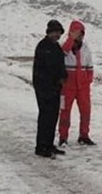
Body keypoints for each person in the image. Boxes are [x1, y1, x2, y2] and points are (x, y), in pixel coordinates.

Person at [32, 19, 68, 158]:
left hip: (54, 87)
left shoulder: (55, 46)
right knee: (45, 116)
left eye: (59, 33)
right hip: (44, 87)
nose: (57, 35)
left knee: (53, 116)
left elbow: (60, 65)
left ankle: (48, 144)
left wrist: (63, 76)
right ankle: (41, 146)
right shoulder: (43, 46)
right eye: (54, 32)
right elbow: (50, 67)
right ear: (49, 32)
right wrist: (60, 76)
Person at [58, 19, 96, 146]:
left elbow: (90, 66)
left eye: (81, 33)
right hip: (67, 86)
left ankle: (84, 135)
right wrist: (70, 39)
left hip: (82, 86)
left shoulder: (86, 48)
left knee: (86, 111)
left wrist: (88, 81)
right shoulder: (65, 46)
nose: (79, 36)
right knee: (64, 112)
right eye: (76, 33)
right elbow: (62, 53)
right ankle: (63, 137)